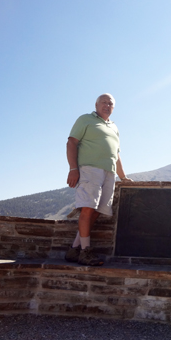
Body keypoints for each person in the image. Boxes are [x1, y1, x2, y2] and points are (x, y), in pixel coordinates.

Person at [65, 93, 132, 266]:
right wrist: (73, 169)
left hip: (109, 174)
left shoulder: (114, 127)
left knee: (96, 211)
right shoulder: (85, 119)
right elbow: (71, 143)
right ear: (96, 105)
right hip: (89, 169)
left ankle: (74, 249)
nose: (107, 105)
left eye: (110, 103)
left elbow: (116, 154)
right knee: (87, 209)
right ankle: (86, 252)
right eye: (104, 102)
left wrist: (123, 176)